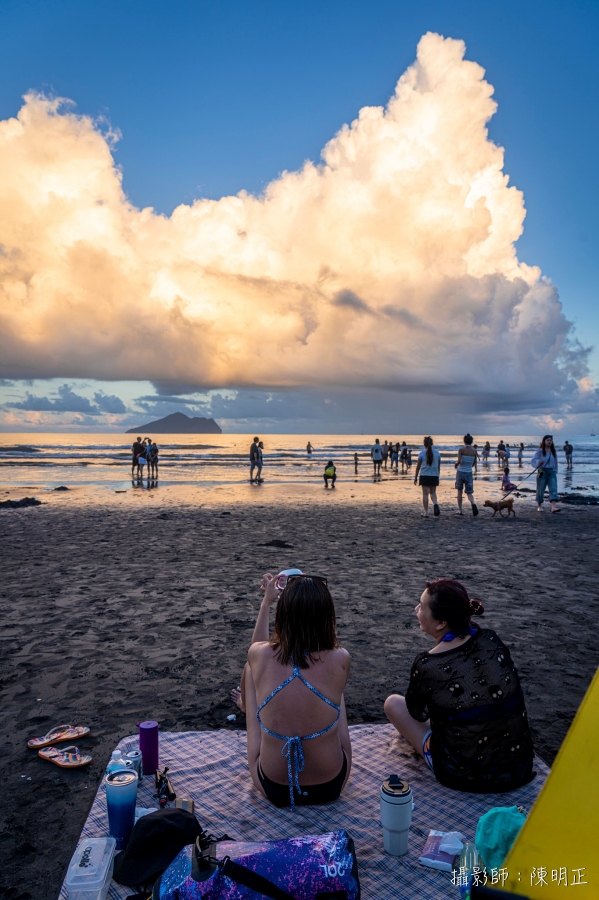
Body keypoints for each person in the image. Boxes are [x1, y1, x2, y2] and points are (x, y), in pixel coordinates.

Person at [384, 579, 534, 793]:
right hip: (516, 768)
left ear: (441, 623)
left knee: (393, 704)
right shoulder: (491, 639)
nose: (416, 609)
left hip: (464, 775)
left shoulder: (428, 664)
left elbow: (417, 713)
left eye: (421, 605)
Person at [231, 573, 352, 808]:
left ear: (283, 615)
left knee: (251, 668)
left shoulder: (260, 655)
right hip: (331, 784)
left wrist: (267, 601)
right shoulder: (341, 658)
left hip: (274, 787)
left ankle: (247, 707)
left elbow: (255, 650)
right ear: (327, 617)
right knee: (334, 688)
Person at [531, 435, 561, 513]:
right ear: (544, 441)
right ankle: (539, 506)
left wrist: (555, 470)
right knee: (540, 489)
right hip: (541, 471)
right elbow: (533, 460)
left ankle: (553, 507)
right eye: (547, 440)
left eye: (550, 440)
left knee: (553, 488)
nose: (549, 441)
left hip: (551, 471)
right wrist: (539, 462)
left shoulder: (553, 451)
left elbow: (555, 462)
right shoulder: (540, 450)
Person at [414, 436, 441, 517]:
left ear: (424, 444)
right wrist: (437, 475)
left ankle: (426, 512)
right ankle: (435, 504)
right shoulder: (437, 453)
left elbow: (418, 467)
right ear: (432, 444)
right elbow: (438, 466)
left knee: (425, 494)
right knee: (433, 493)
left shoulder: (421, 454)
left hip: (424, 475)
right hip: (434, 475)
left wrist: (415, 477)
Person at [454, 433, 478, 517]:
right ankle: (473, 503)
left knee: (459, 491)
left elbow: (459, 461)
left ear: (464, 441)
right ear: (471, 441)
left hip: (460, 472)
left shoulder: (461, 450)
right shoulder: (474, 451)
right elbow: (473, 464)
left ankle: (460, 510)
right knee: (469, 492)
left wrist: (456, 464)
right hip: (469, 472)